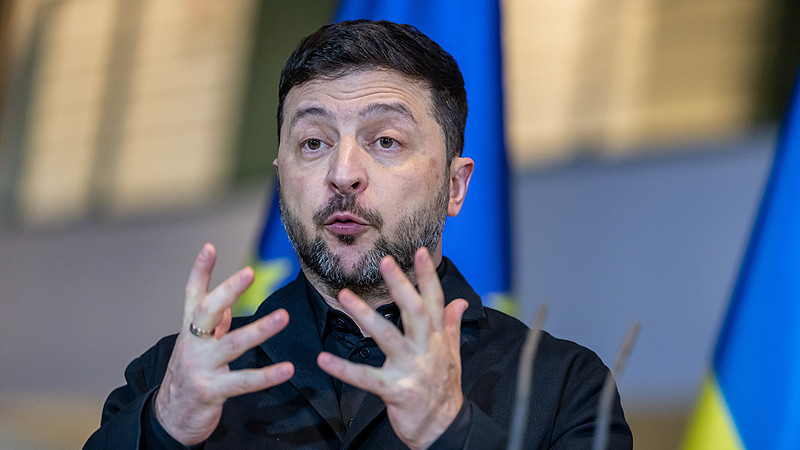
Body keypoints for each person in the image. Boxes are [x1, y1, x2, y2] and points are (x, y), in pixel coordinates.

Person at [84, 20, 632, 450]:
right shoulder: (173, 377)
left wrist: (453, 433)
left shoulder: (564, 386)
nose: (343, 173)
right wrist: (162, 430)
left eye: (386, 140)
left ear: (455, 186)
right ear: (282, 177)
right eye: (314, 143)